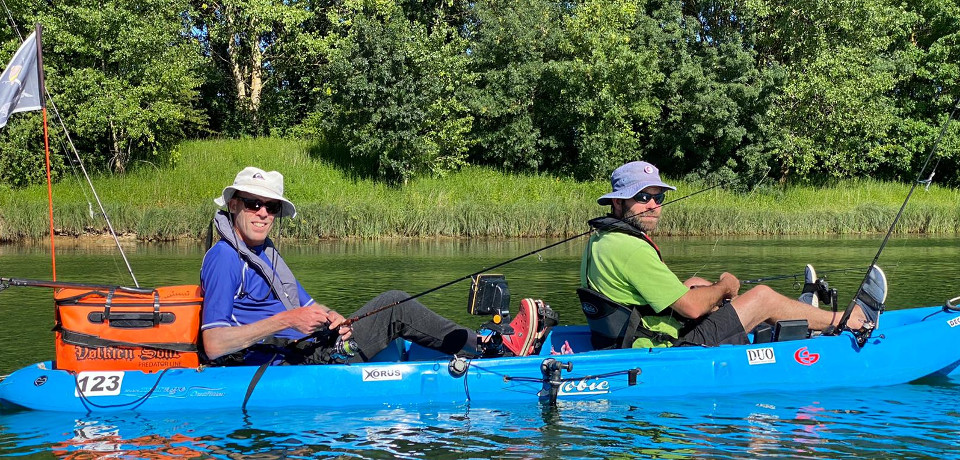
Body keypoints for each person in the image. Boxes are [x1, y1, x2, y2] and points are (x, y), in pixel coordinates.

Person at [200, 167, 546, 365]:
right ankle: (491, 348)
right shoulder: (225, 258)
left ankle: (483, 346)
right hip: (293, 364)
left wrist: (333, 318)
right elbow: (214, 343)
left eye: (271, 207)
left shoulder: (265, 253)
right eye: (253, 204)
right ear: (233, 205)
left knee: (389, 306)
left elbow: (307, 307)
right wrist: (287, 321)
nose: (263, 213)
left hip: (315, 346)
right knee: (394, 304)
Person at [580, 161, 885, 348]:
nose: (653, 205)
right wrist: (726, 286)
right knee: (762, 296)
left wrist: (705, 289)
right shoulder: (630, 248)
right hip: (662, 347)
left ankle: (795, 317)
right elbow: (691, 309)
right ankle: (848, 321)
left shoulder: (603, 240)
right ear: (618, 204)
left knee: (696, 282)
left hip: (635, 335)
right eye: (642, 197)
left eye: (657, 198)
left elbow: (648, 299)